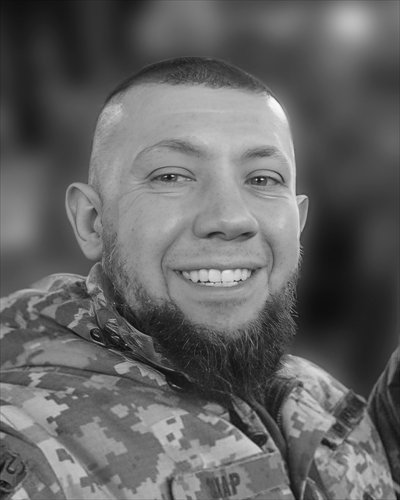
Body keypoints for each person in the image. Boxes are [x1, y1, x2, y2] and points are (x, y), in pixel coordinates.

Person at [0, 57, 395, 500]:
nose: (230, 218)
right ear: (94, 221)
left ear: (298, 221)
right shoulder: (29, 440)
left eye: (263, 179)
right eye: (171, 176)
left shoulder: (309, 389)